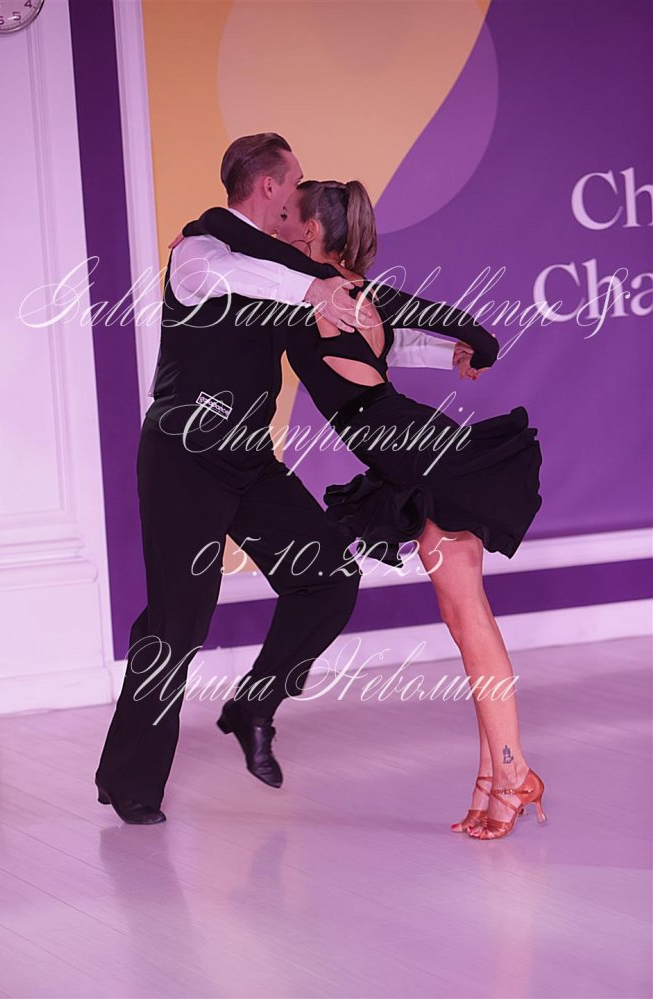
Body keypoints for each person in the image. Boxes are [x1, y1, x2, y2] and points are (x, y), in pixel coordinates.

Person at [187, 180, 547, 840]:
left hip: (425, 458)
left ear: (309, 232)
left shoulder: (311, 296)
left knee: (468, 620)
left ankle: (513, 773)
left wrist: (202, 229)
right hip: (411, 456)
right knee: (463, 619)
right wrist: (465, 350)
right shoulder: (357, 295)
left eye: (288, 217)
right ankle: (494, 780)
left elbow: (243, 249)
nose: (278, 223)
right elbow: (472, 335)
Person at [94, 135, 383, 825]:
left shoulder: (282, 268)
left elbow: (354, 331)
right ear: (268, 188)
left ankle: (254, 702)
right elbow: (237, 275)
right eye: (294, 181)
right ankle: (129, 782)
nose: (300, 195)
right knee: (177, 622)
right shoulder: (200, 253)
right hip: (185, 457)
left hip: (248, 461)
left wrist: (449, 342)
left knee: (329, 576)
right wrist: (309, 285)